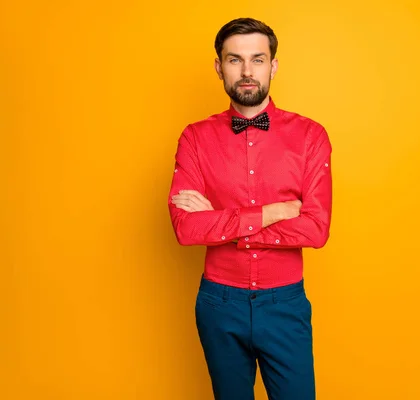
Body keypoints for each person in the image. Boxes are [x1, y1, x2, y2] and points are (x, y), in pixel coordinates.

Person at [167, 17, 332, 400]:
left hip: (284, 303)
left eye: (257, 59)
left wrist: (222, 222)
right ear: (219, 66)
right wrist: (273, 212)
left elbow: (315, 230)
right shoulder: (195, 137)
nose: (246, 71)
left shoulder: (310, 136)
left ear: (273, 66)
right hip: (218, 304)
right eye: (234, 59)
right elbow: (186, 229)